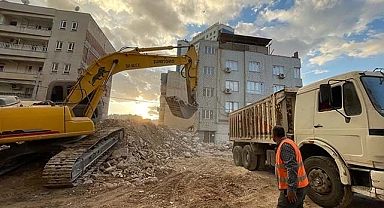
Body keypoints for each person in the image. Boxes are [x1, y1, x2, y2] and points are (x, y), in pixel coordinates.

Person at [273, 125, 309, 208]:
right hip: (300, 186)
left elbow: (292, 168)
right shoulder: (289, 142)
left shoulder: (285, 146)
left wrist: (291, 190)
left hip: (295, 189)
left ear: (274, 135)